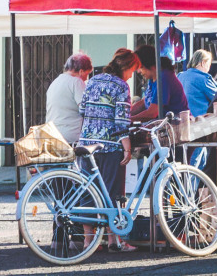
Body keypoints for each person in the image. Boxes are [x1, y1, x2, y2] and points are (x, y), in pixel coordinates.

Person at [77, 47, 139, 251]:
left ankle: (89, 241)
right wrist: (127, 147)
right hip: (110, 145)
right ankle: (114, 239)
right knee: (112, 192)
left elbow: (82, 109)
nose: (132, 76)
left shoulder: (93, 80)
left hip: (86, 143)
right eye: (133, 71)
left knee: (89, 190)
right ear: (128, 68)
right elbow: (121, 120)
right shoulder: (121, 87)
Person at [129, 45, 189, 122]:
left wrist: (128, 120)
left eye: (141, 67)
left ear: (151, 66)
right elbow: (145, 102)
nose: (138, 71)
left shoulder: (164, 78)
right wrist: (127, 114)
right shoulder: (153, 78)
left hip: (176, 128)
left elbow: (152, 113)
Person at [43, 52, 92, 146]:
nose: (86, 78)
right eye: (87, 74)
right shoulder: (77, 82)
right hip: (70, 136)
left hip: (51, 135)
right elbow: (86, 109)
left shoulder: (55, 82)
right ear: (81, 71)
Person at [177, 47, 217, 117]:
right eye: (209, 64)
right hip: (200, 122)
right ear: (203, 63)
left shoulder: (179, 76)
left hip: (182, 120)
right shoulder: (203, 79)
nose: (209, 68)